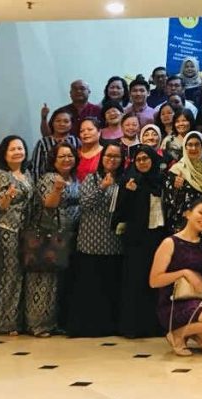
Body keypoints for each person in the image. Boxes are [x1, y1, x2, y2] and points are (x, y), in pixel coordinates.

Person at [150, 199, 202, 357]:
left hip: (198, 302)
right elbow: (154, 281)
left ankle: (185, 332)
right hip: (173, 303)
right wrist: (184, 273)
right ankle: (177, 334)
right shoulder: (170, 242)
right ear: (188, 213)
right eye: (201, 212)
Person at [67, 142, 124, 337]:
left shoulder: (123, 180)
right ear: (102, 157)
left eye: (116, 156)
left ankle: (108, 326)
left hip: (113, 243)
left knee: (109, 288)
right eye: (109, 156)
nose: (112, 160)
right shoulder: (92, 178)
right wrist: (102, 187)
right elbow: (84, 203)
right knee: (90, 288)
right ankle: (87, 327)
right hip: (90, 242)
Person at [26, 143, 80, 337]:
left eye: (70, 156)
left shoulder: (75, 179)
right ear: (53, 160)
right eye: (62, 156)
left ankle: (53, 322)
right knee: (43, 280)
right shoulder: (48, 178)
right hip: (47, 234)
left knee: (58, 282)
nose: (67, 160)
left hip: (67, 236)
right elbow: (49, 204)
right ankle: (37, 324)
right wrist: (57, 189)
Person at [113, 145, 166, 338]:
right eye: (139, 159)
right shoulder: (129, 180)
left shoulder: (160, 180)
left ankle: (154, 325)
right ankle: (133, 327)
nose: (142, 162)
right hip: (136, 239)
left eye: (146, 158)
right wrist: (129, 193)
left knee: (155, 281)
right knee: (135, 282)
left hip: (158, 238)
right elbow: (119, 212)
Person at [0, 136, 33, 336]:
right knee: (8, 275)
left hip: (26, 231)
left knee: (22, 275)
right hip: (8, 230)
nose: (17, 152)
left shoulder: (27, 174)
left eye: (20, 148)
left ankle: (19, 320)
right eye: (12, 149)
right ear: (4, 154)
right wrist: (8, 196)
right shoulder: (1, 175)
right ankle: (4, 322)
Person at [163, 132, 202, 232]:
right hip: (182, 222)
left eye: (197, 144)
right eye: (190, 145)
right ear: (185, 147)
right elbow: (168, 200)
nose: (193, 148)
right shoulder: (177, 169)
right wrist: (176, 188)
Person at [30, 109, 80, 181]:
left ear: (71, 124)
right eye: (58, 121)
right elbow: (36, 168)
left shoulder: (76, 141)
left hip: (72, 183)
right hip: (47, 183)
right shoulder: (42, 143)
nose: (62, 124)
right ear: (52, 123)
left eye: (66, 121)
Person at [76, 117, 104, 182]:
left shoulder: (105, 153)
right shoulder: (75, 153)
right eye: (82, 131)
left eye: (90, 129)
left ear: (99, 132)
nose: (85, 133)